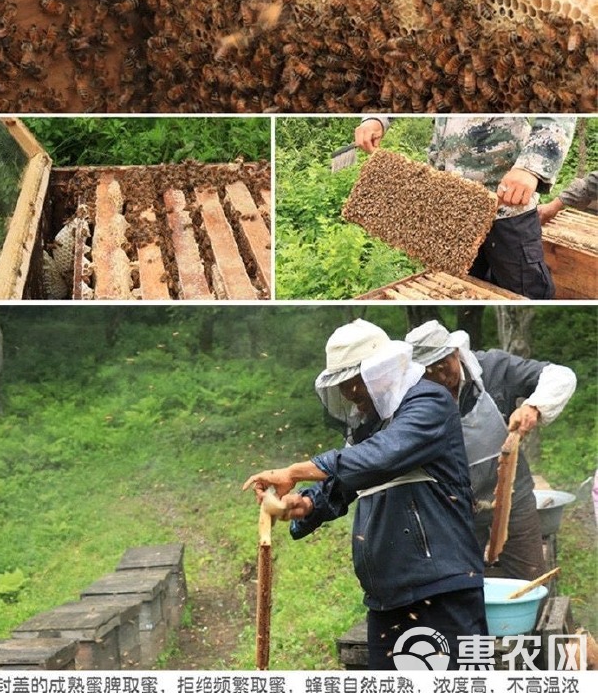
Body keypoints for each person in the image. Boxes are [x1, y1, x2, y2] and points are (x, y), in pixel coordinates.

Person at [243, 319, 487, 670]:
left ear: (381, 372)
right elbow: (352, 474)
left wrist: (295, 471)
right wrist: (307, 502)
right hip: (388, 596)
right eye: (343, 387)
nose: (349, 396)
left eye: (354, 385)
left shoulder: (429, 402)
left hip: (441, 589)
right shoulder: (373, 422)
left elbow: (382, 455)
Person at [405, 320, 577, 581]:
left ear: (455, 353)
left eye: (444, 367)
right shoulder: (412, 394)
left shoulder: (493, 368)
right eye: (430, 373)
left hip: (513, 499)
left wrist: (534, 406)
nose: (441, 378)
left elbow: (560, 375)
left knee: (530, 581)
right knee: (459, 586)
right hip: (453, 508)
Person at [354, 117, 576, 299]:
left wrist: (531, 167)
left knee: (527, 290)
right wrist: (378, 118)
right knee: (460, 289)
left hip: (508, 206)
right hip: (451, 205)